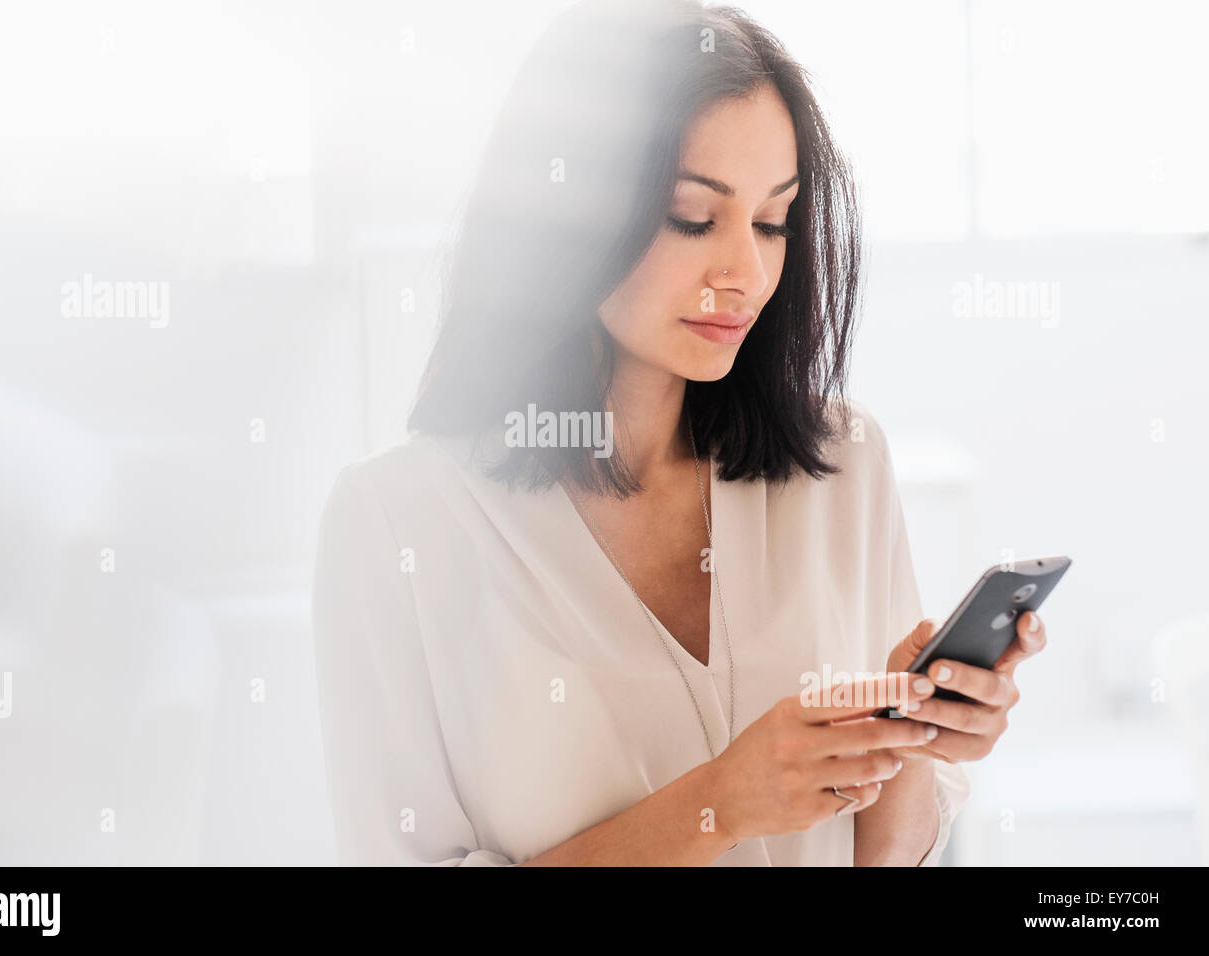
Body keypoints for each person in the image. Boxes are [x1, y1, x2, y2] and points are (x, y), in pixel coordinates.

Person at [313, 0, 1046, 866]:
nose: (746, 272)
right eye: (694, 217)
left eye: (773, 222)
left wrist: (910, 742)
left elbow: (879, 860)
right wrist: (717, 806)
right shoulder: (399, 525)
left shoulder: (844, 467)